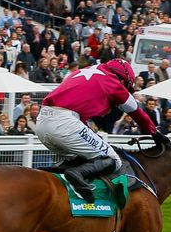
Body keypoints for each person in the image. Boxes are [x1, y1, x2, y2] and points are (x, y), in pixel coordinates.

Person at [37, 58, 164, 202]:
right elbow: (137, 113)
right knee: (113, 159)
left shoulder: (86, 71)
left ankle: (46, 178)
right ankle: (77, 176)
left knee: (80, 159)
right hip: (64, 123)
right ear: (123, 81)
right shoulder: (114, 83)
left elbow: (78, 111)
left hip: (42, 122)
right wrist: (155, 133)